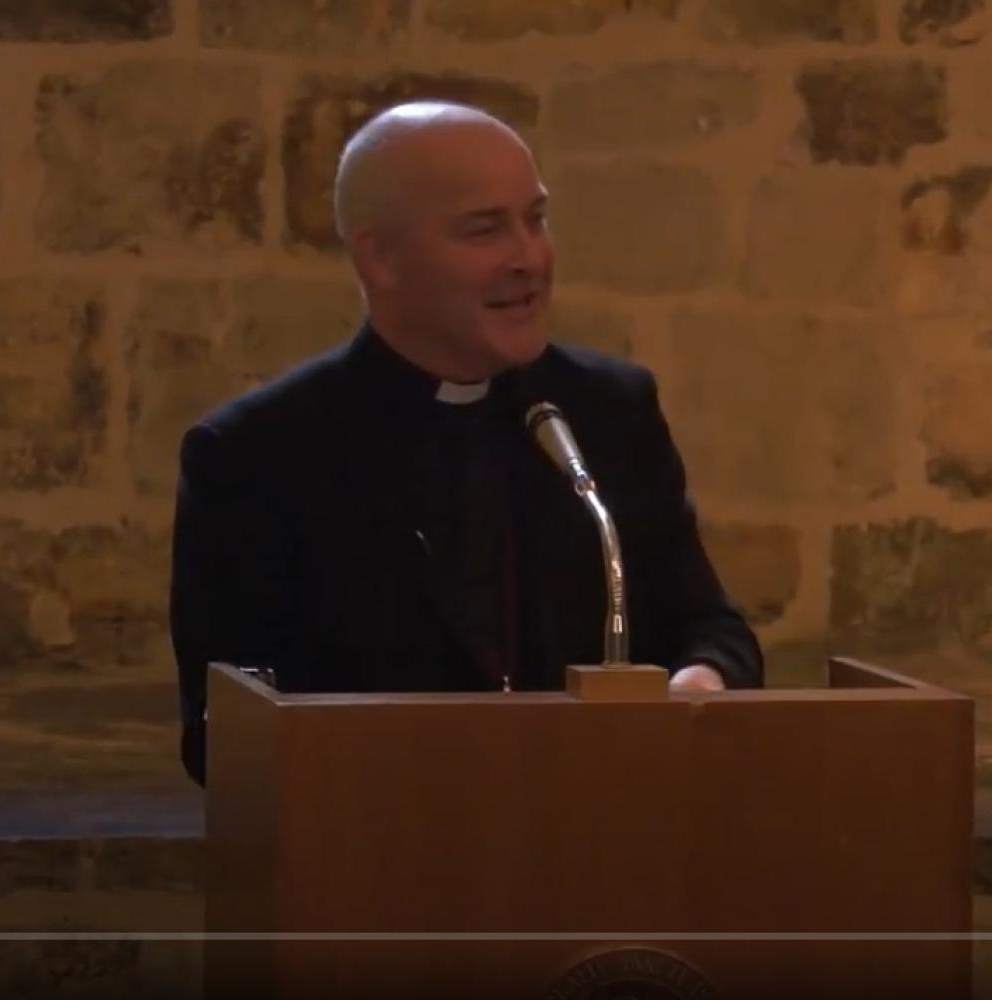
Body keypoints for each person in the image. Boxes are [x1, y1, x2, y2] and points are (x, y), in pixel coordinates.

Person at [169, 101, 762, 786]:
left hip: (600, 847)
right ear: (380, 258)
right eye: (485, 231)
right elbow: (225, 738)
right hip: (380, 863)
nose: (529, 258)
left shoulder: (607, 411)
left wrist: (699, 685)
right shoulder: (256, 456)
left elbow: (712, 628)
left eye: (536, 219)